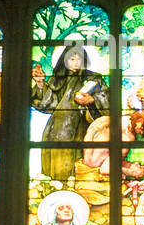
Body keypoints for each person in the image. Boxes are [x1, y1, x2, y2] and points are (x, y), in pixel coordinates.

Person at [31, 45, 108, 181]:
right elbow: (46, 103)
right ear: (65, 60)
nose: (76, 63)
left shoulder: (94, 78)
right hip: (57, 129)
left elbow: (108, 99)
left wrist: (92, 100)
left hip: (84, 127)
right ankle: (56, 187)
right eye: (72, 59)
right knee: (57, 164)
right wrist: (40, 84)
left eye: (79, 59)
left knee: (80, 162)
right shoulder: (57, 79)